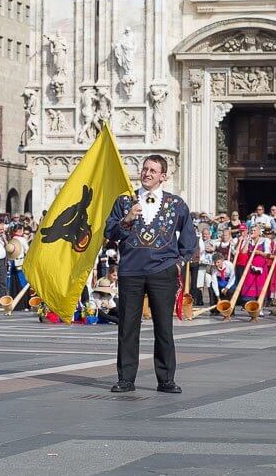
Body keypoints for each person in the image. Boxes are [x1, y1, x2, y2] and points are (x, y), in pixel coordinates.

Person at [105, 154, 197, 394]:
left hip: (161, 271)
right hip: (130, 271)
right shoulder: (125, 201)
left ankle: (166, 378)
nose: (146, 173)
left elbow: (189, 236)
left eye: (153, 170)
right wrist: (126, 220)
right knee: (127, 326)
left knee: (164, 326)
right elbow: (109, 232)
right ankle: (126, 378)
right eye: (144, 169)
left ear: (163, 176)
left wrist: (179, 262)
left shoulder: (177, 204)